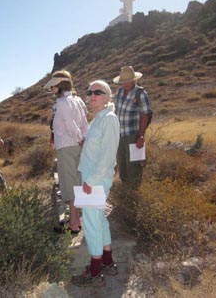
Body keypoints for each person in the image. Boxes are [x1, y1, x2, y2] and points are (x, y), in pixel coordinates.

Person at [72, 80, 120, 288]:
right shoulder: (98, 119)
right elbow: (97, 149)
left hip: (95, 180)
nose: (92, 95)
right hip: (92, 178)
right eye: (90, 92)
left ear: (107, 97)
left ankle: (94, 271)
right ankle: (107, 262)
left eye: (97, 92)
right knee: (99, 220)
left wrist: (90, 182)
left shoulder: (108, 119)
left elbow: (108, 155)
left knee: (91, 224)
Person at [44, 70, 88, 233]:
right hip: (77, 146)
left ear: (60, 85)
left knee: (69, 184)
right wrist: (83, 139)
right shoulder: (78, 100)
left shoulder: (62, 102)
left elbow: (70, 124)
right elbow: (84, 123)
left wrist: (78, 138)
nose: (51, 89)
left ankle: (74, 224)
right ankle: (76, 220)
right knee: (77, 180)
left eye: (53, 86)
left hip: (67, 147)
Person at [113, 65, 152, 188]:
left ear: (134, 80)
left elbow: (145, 115)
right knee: (122, 166)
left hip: (133, 136)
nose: (125, 84)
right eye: (123, 81)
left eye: (128, 81)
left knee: (133, 167)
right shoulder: (119, 93)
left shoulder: (140, 93)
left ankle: (134, 195)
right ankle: (125, 193)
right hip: (119, 136)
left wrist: (140, 136)